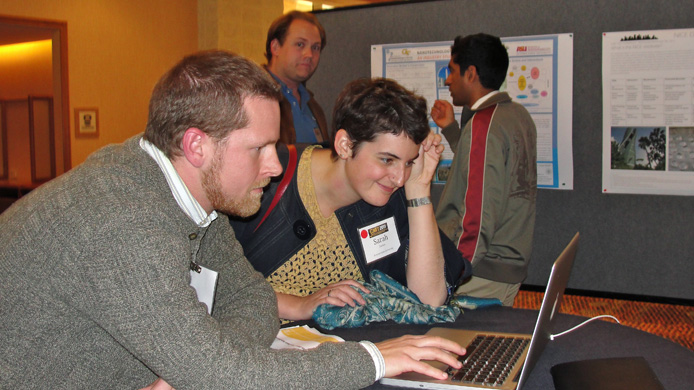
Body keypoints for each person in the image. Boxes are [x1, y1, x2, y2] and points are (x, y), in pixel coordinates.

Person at [0, 51, 466, 389]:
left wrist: (199, 365)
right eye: (259, 148)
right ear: (198, 146)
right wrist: (373, 359)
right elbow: (224, 376)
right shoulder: (123, 220)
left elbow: (252, 298)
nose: (277, 166)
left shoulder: (200, 196)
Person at [230, 78, 471, 322]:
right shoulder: (268, 176)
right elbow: (206, 281)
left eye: (408, 162)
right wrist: (297, 305)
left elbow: (428, 300)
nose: (399, 178)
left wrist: (419, 189)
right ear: (345, 145)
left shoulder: (391, 197)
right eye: (387, 160)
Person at [431, 33, 537, 307]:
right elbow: (488, 171)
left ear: (471, 73)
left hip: (480, 271)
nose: (447, 80)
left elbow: (476, 216)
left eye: (452, 71)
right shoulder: (516, 116)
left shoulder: (484, 125)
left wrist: (453, 273)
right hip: (506, 266)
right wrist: (452, 130)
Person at [265, 11, 329, 144]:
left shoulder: (312, 105)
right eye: (300, 44)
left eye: (315, 47)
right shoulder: (256, 98)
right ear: (275, 47)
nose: (309, 54)